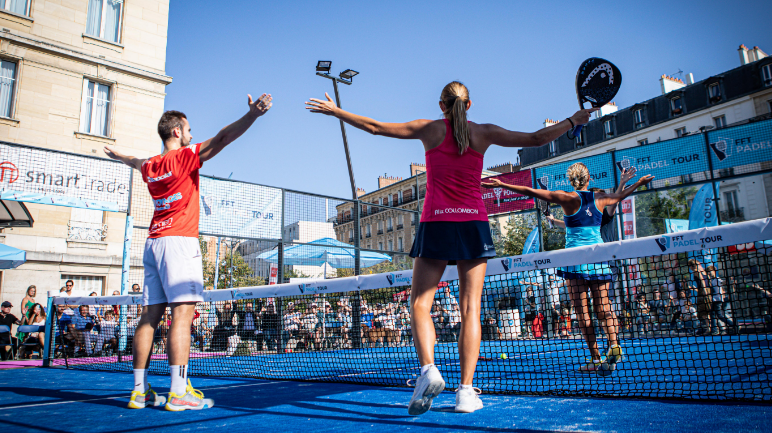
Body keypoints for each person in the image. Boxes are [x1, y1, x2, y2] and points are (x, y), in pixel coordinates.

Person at [307, 80, 596, 414]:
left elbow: (374, 128)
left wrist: (335, 111)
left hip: (436, 222)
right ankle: (466, 392)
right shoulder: (484, 132)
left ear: (441, 105)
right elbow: (535, 138)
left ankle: (428, 370)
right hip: (473, 224)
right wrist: (574, 121)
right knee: (471, 308)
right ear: (469, 105)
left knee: (419, 304)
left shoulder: (429, 130)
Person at [103, 93, 272, 411]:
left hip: (153, 242)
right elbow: (222, 138)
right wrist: (252, 116)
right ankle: (178, 391)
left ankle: (139, 391)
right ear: (177, 131)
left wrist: (117, 154)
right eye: (189, 129)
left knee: (149, 317)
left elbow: (134, 161)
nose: (193, 134)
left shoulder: (151, 166)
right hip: (179, 241)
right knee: (182, 316)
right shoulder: (184, 157)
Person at [484, 163, 653, 375]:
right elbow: (621, 196)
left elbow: (531, 191)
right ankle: (613, 344)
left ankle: (595, 358)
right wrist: (638, 182)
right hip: (599, 257)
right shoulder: (600, 199)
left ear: (570, 180)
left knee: (583, 313)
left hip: (574, 260)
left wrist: (502, 184)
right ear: (589, 179)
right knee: (603, 307)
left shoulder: (567, 197)